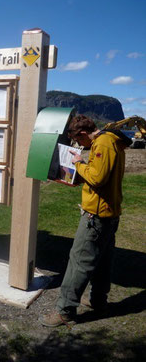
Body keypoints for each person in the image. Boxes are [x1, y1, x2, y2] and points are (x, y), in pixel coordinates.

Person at [40, 114, 132, 328]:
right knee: (101, 260)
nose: (80, 145)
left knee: (79, 261)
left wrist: (78, 164)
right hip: (108, 213)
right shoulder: (110, 141)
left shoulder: (103, 144)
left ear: (83, 134)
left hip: (96, 216)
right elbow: (101, 175)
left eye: (78, 141)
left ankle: (65, 311)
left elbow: (98, 179)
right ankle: (97, 300)